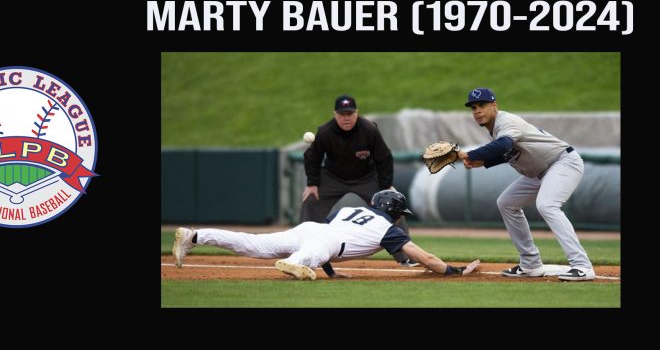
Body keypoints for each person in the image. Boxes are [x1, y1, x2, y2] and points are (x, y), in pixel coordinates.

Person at [172, 190, 479, 280]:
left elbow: (327, 236)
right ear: (394, 211)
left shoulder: (348, 209)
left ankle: (195, 236)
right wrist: (454, 271)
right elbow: (424, 258)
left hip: (314, 230)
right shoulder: (389, 230)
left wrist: (332, 273)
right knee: (312, 255)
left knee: (252, 243)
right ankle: (297, 264)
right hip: (325, 242)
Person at [458, 87, 595, 281]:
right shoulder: (495, 128)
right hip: (540, 173)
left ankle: (582, 265)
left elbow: (504, 145)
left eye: (482, 105)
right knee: (506, 203)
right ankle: (530, 264)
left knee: (547, 205)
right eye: (473, 107)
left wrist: (469, 154)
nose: (477, 111)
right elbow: (512, 151)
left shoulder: (506, 121)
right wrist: (485, 161)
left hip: (562, 163)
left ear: (494, 105)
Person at [302, 94, 417, 266]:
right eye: (342, 114)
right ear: (335, 114)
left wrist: (386, 186)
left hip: (366, 177)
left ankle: (406, 257)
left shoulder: (369, 129)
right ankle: (304, 253)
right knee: (310, 201)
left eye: (350, 113)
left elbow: (384, 157)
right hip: (333, 177)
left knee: (394, 205)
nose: (346, 118)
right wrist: (312, 184)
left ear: (357, 113)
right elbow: (312, 156)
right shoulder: (325, 132)